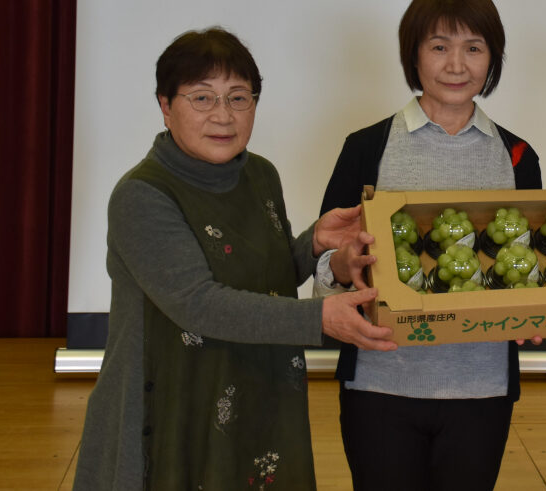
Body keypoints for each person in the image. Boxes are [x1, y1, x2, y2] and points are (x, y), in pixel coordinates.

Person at [74, 27, 396, 490]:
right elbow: (199, 303)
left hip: (257, 392)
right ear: (165, 106)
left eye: (239, 97)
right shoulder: (141, 196)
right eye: (202, 98)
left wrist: (314, 244)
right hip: (172, 405)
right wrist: (320, 318)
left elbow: (262, 278)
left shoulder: (261, 175)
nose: (223, 116)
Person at [319, 0, 542, 491]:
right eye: (439, 47)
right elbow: (322, 271)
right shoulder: (366, 148)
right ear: (413, 55)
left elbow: (528, 270)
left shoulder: (517, 157)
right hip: (379, 384)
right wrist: (339, 265)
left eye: (473, 48)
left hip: (481, 387)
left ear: (493, 58)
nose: (456, 65)